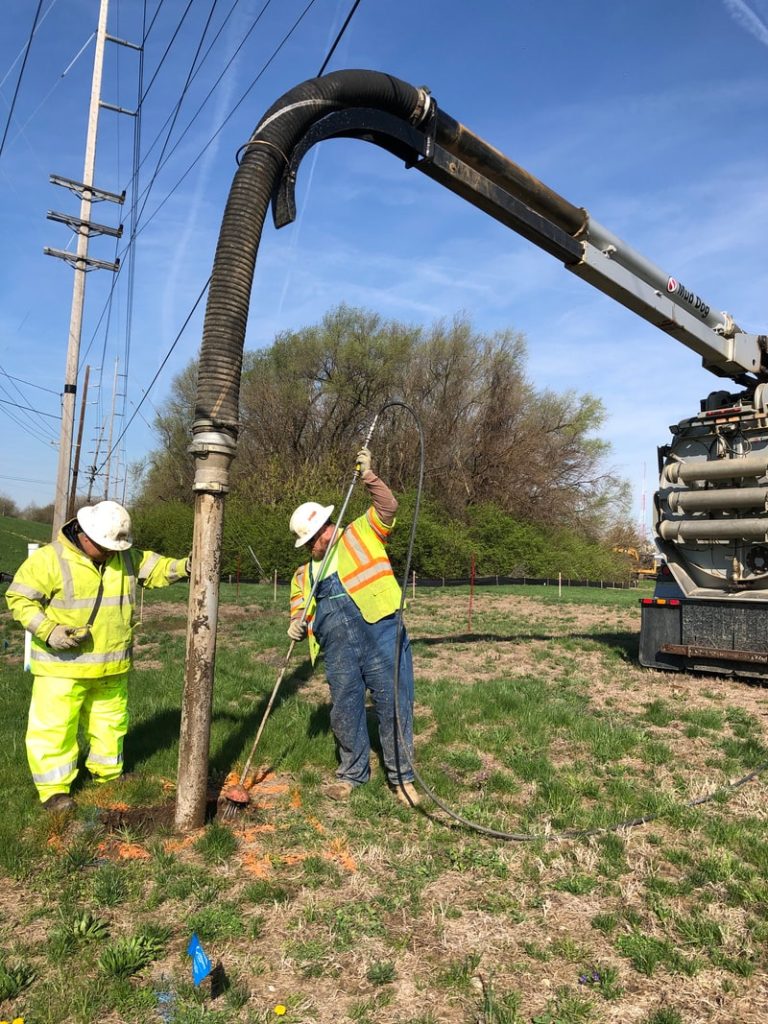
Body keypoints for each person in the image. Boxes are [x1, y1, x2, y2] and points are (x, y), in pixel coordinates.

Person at [5, 500, 190, 813]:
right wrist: (49, 630)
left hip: (111, 665)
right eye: (106, 548)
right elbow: (19, 598)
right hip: (60, 668)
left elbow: (158, 568)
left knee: (110, 723)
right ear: (85, 536)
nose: (112, 553)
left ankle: (108, 776)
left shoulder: (124, 556)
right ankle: (54, 791)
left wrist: (186, 565)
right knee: (55, 727)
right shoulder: (50, 560)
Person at [288, 447, 419, 807]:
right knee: (345, 710)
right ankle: (351, 775)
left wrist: (368, 477)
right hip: (339, 650)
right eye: (312, 539)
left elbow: (389, 508)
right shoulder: (303, 575)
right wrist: (296, 625)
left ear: (330, 524)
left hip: (380, 633)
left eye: (321, 532)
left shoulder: (360, 532)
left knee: (394, 703)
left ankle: (402, 778)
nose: (320, 541)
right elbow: (299, 610)